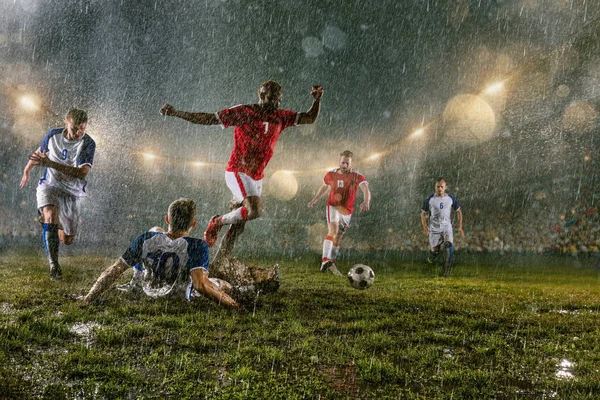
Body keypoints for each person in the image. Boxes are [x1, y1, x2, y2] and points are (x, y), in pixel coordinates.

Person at [159, 81, 324, 263]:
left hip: (257, 176)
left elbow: (310, 118)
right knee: (255, 210)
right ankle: (217, 221)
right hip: (238, 170)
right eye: (271, 98)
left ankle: (220, 262)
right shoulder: (244, 112)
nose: (275, 103)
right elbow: (208, 118)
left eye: (278, 100)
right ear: (260, 95)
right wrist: (176, 113)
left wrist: (317, 100)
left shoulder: (281, 116)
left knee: (239, 226)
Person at [80, 198, 240, 308]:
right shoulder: (197, 245)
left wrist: (88, 297)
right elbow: (201, 285)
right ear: (194, 223)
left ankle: (134, 282)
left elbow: (114, 270)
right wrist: (236, 307)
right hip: (176, 298)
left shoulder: (146, 238)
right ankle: (240, 291)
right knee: (219, 283)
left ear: (167, 219)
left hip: (145, 292)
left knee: (155, 231)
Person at [19, 108, 96, 280]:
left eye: (82, 128)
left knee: (67, 240)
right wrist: (27, 170)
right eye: (75, 127)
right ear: (66, 122)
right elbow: (39, 154)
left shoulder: (88, 143)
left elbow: (82, 172)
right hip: (50, 185)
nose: (78, 132)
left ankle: (54, 226)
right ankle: (54, 266)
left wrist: (51, 164)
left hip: (72, 192)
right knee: (50, 213)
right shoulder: (53, 135)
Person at [307, 150, 371, 275]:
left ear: (351, 163)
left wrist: (366, 201)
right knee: (333, 231)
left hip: (347, 211)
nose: (345, 165)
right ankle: (324, 260)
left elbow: (365, 189)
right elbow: (324, 186)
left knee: (339, 237)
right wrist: (314, 199)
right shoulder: (331, 174)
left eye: (347, 163)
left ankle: (331, 264)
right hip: (333, 206)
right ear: (339, 162)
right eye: (343, 163)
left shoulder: (357, 175)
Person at [420, 177, 465, 276]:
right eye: (438, 187)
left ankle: (447, 271)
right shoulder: (430, 199)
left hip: (446, 227)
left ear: (445, 187)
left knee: (448, 245)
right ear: (434, 187)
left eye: (442, 187)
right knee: (435, 251)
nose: (440, 189)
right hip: (434, 229)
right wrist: (425, 227)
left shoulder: (451, 199)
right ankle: (430, 259)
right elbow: (423, 213)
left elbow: (459, 211)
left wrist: (460, 226)